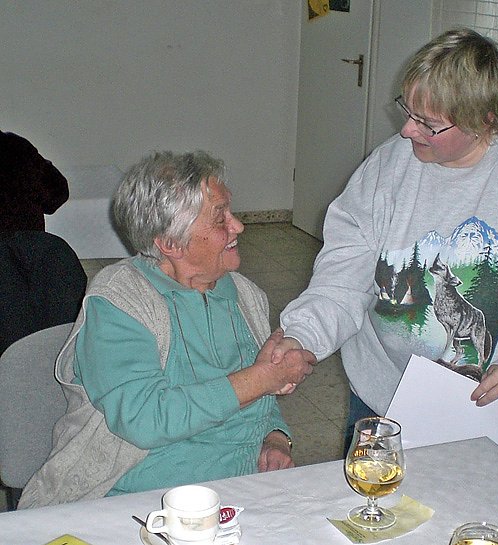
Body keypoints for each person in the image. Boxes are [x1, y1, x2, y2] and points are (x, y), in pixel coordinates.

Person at [273, 28, 498, 448]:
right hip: (382, 392)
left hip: (489, 398)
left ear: (485, 121)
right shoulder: (387, 168)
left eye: (427, 124)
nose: (406, 131)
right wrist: (303, 336)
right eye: (408, 111)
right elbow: (343, 276)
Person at [19, 151, 316, 508]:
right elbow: (145, 420)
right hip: (141, 500)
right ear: (170, 243)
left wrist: (275, 437)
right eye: (220, 217)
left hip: (239, 491)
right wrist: (261, 378)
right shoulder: (120, 301)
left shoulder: (245, 295)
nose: (237, 226)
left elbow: (258, 398)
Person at [0, 130, 69, 231]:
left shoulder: (17, 146)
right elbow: (58, 192)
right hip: (29, 234)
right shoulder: (17, 146)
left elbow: (58, 191)